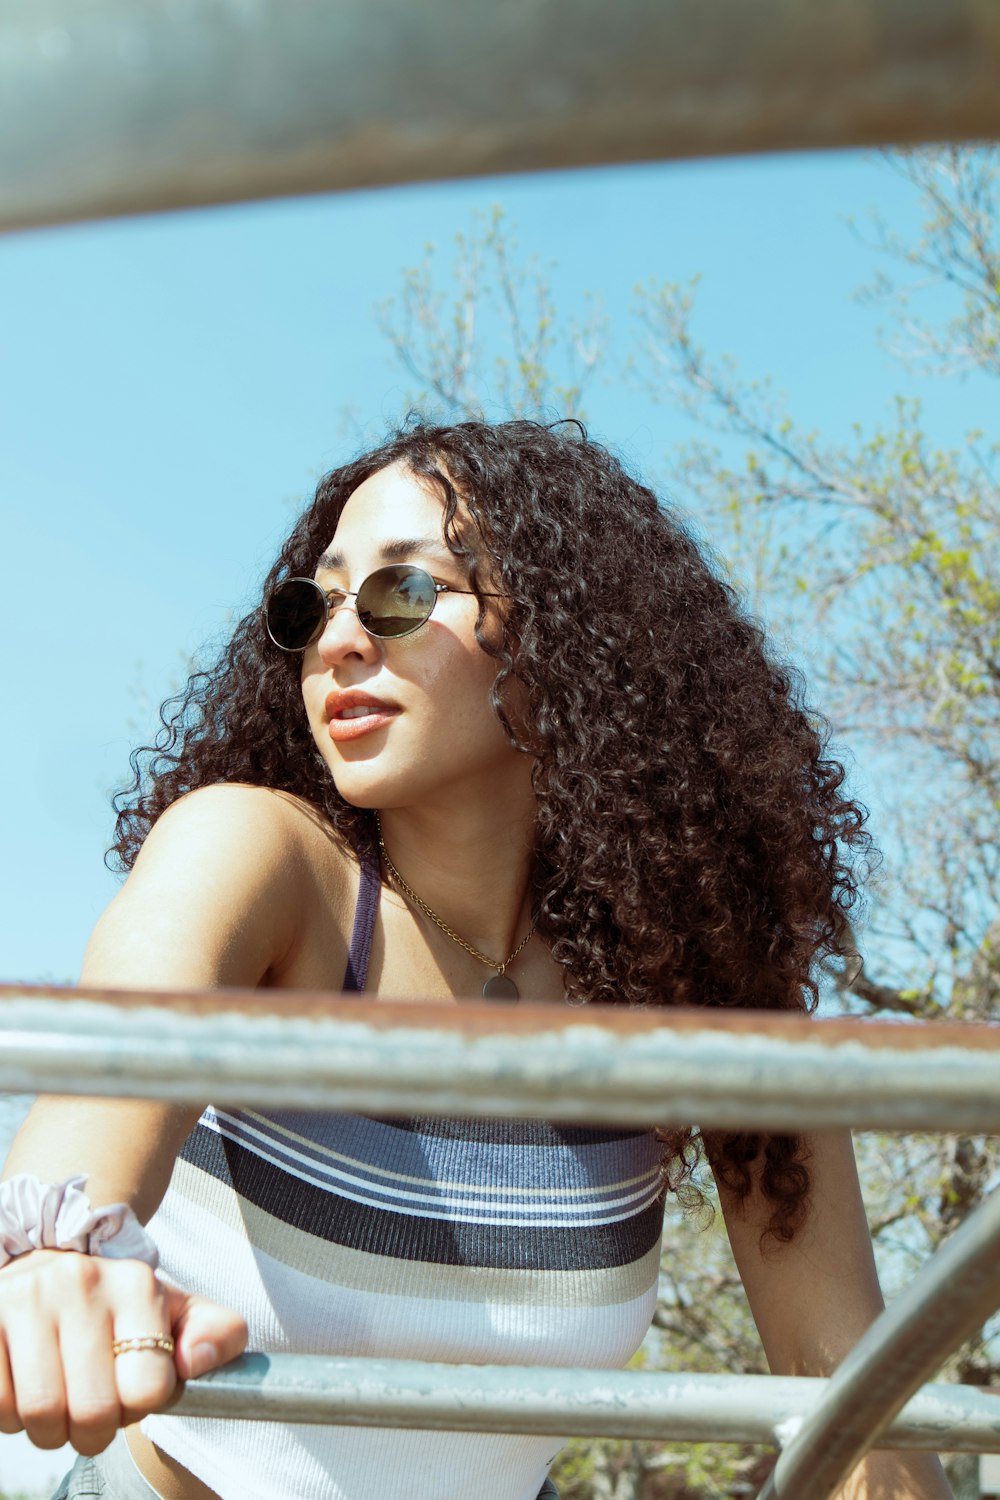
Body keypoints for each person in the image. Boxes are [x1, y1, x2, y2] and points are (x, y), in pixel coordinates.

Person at [1, 419, 948, 1500]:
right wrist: (53, 1257)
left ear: (567, 637)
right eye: (312, 606)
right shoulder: (258, 858)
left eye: (404, 593)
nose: (339, 642)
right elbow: (86, 1126)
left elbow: (852, 1396)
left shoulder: (698, 984)